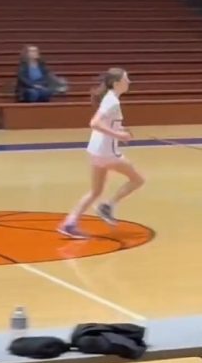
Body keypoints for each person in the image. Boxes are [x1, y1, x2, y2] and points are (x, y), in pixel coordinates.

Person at [58, 68, 145, 238]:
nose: (129, 82)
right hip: (107, 153)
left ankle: (69, 223)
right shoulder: (112, 101)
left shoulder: (110, 99)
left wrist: (120, 129)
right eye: (127, 79)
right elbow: (95, 123)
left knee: (95, 191)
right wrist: (118, 134)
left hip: (97, 150)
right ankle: (108, 205)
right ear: (116, 83)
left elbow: (105, 123)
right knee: (138, 179)